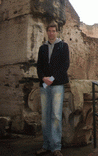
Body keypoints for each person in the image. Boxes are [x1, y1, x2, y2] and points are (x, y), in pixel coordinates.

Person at [36, 22, 70, 156]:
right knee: (45, 117)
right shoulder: (42, 48)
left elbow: (65, 65)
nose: (51, 33)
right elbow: (39, 66)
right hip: (44, 84)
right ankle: (46, 145)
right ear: (47, 32)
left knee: (56, 115)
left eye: (53, 31)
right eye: (49, 30)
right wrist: (43, 78)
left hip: (57, 84)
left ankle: (56, 147)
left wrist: (52, 78)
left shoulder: (63, 46)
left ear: (57, 32)